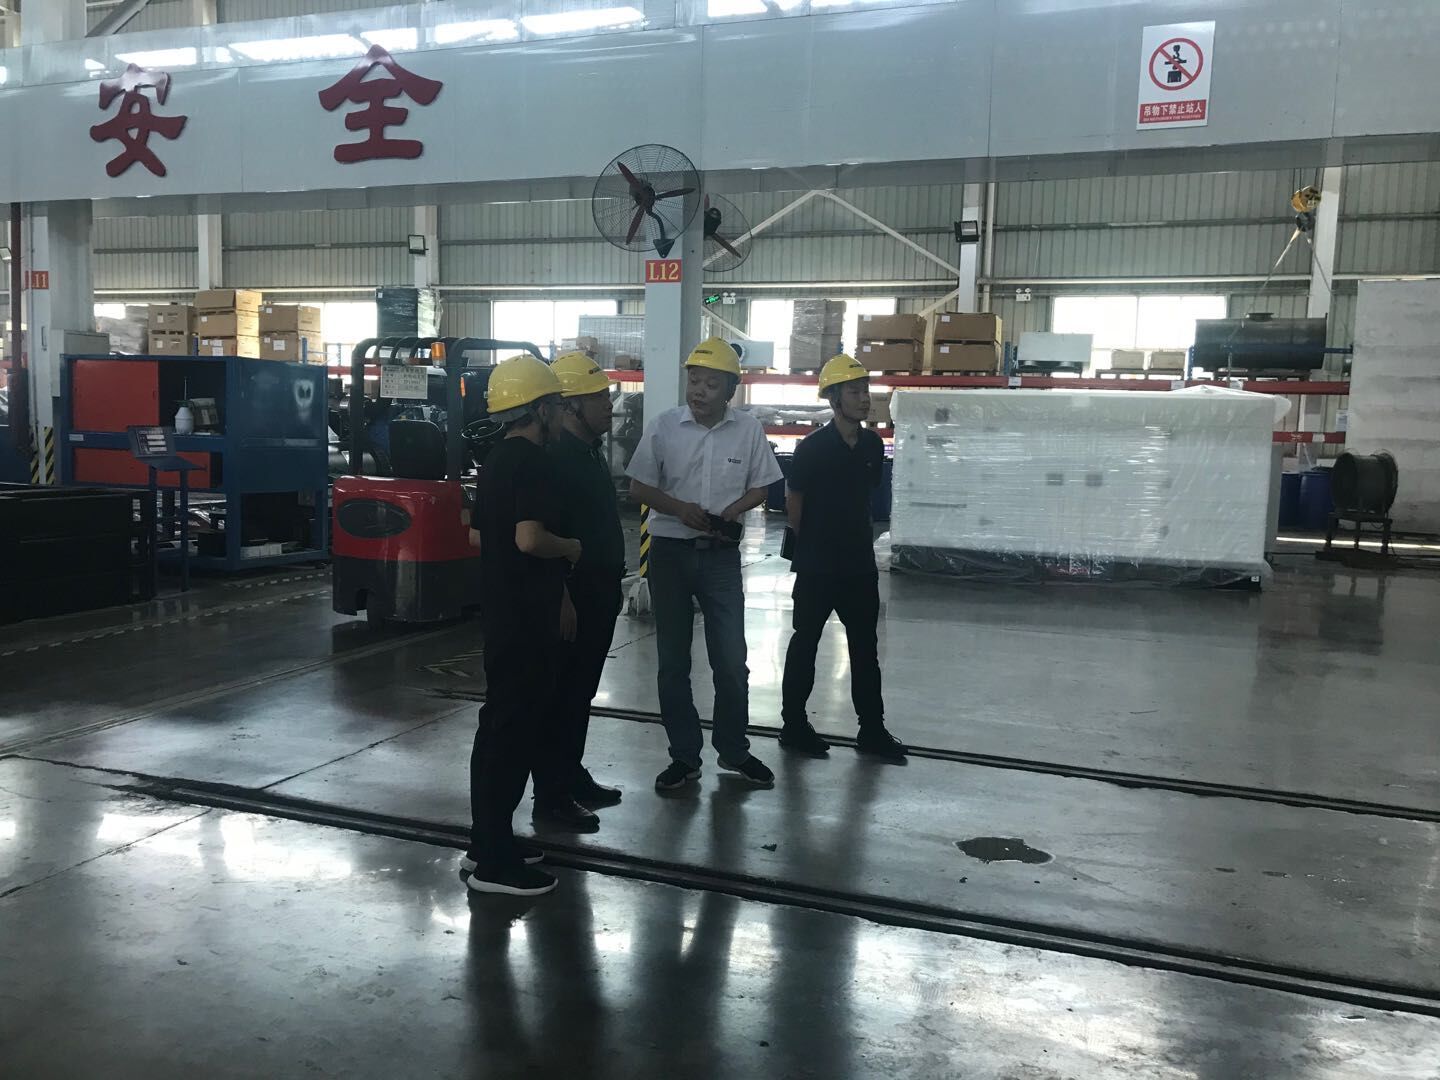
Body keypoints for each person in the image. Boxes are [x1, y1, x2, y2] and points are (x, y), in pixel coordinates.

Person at [627, 338, 784, 793]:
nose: (698, 390)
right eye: (694, 381)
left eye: (711, 384)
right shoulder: (664, 427)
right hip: (670, 555)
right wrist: (679, 509)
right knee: (673, 662)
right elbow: (639, 487)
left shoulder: (748, 430)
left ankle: (733, 750)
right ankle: (684, 756)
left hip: (720, 558)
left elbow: (763, 487)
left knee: (731, 661)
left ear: (731, 390)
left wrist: (732, 512)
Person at [463, 355, 582, 897]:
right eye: (555, 404)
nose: (560, 413)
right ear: (539, 409)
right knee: (511, 734)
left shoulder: (495, 460)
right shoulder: (534, 462)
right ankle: (494, 864)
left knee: (500, 728)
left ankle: (487, 841)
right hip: (527, 619)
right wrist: (571, 548)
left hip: (502, 613)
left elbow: (478, 535)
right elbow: (529, 539)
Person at [778, 354, 906, 760]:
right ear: (834, 399)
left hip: (859, 567)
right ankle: (793, 726)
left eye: (865, 391)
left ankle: (872, 731)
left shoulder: (871, 445)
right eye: (854, 392)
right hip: (817, 567)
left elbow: (865, 496)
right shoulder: (812, 448)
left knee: (865, 649)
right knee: (805, 645)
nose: (864, 399)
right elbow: (794, 504)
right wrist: (816, 545)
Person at [539, 351, 627, 827]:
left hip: (600, 591)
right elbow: (547, 539)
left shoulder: (589, 452)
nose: (609, 406)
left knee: (580, 693)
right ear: (570, 406)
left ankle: (571, 776)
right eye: (598, 399)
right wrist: (562, 598)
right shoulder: (556, 460)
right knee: (562, 696)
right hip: (574, 597)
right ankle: (551, 797)